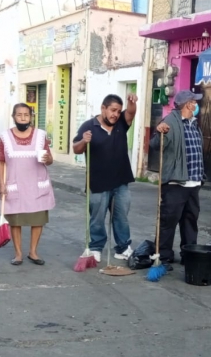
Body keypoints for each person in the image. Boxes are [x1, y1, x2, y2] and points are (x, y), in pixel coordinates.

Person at [73, 94, 137, 263]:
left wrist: (132, 103)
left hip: (120, 181)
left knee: (121, 216)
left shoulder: (121, 123)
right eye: (112, 110)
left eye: (118, 111)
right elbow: (76, 149)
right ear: (103, 108)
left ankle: (123, 248)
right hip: (97, 182)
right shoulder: (89, 126)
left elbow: (130, 113)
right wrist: (83, 141)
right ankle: (95, 248)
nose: (115, 114)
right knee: (97, 218)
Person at [150, 90, 204, 264]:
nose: (196, 105)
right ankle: (163, 257)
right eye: (194, 102)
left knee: (190, 222)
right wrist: (160, 132)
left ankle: (189, 255)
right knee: (168, 222)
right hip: (175, 183)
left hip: (193, 182)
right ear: (188, 104)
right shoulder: (170, 122)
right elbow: (155, 145)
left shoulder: (193, 123)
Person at [0, 103, 55, 265]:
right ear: (13, 117)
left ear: (31, 117)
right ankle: (18, 254)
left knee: (37, 219)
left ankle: (33, 252)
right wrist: (1, 183)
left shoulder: (41, 135)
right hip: (15, 184)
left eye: (26, 115)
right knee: (16, 220)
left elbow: (49, 159)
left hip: (37, 185)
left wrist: (48, 159)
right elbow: (1, 162)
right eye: (19, 115)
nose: (23, 118)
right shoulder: (5, 137)